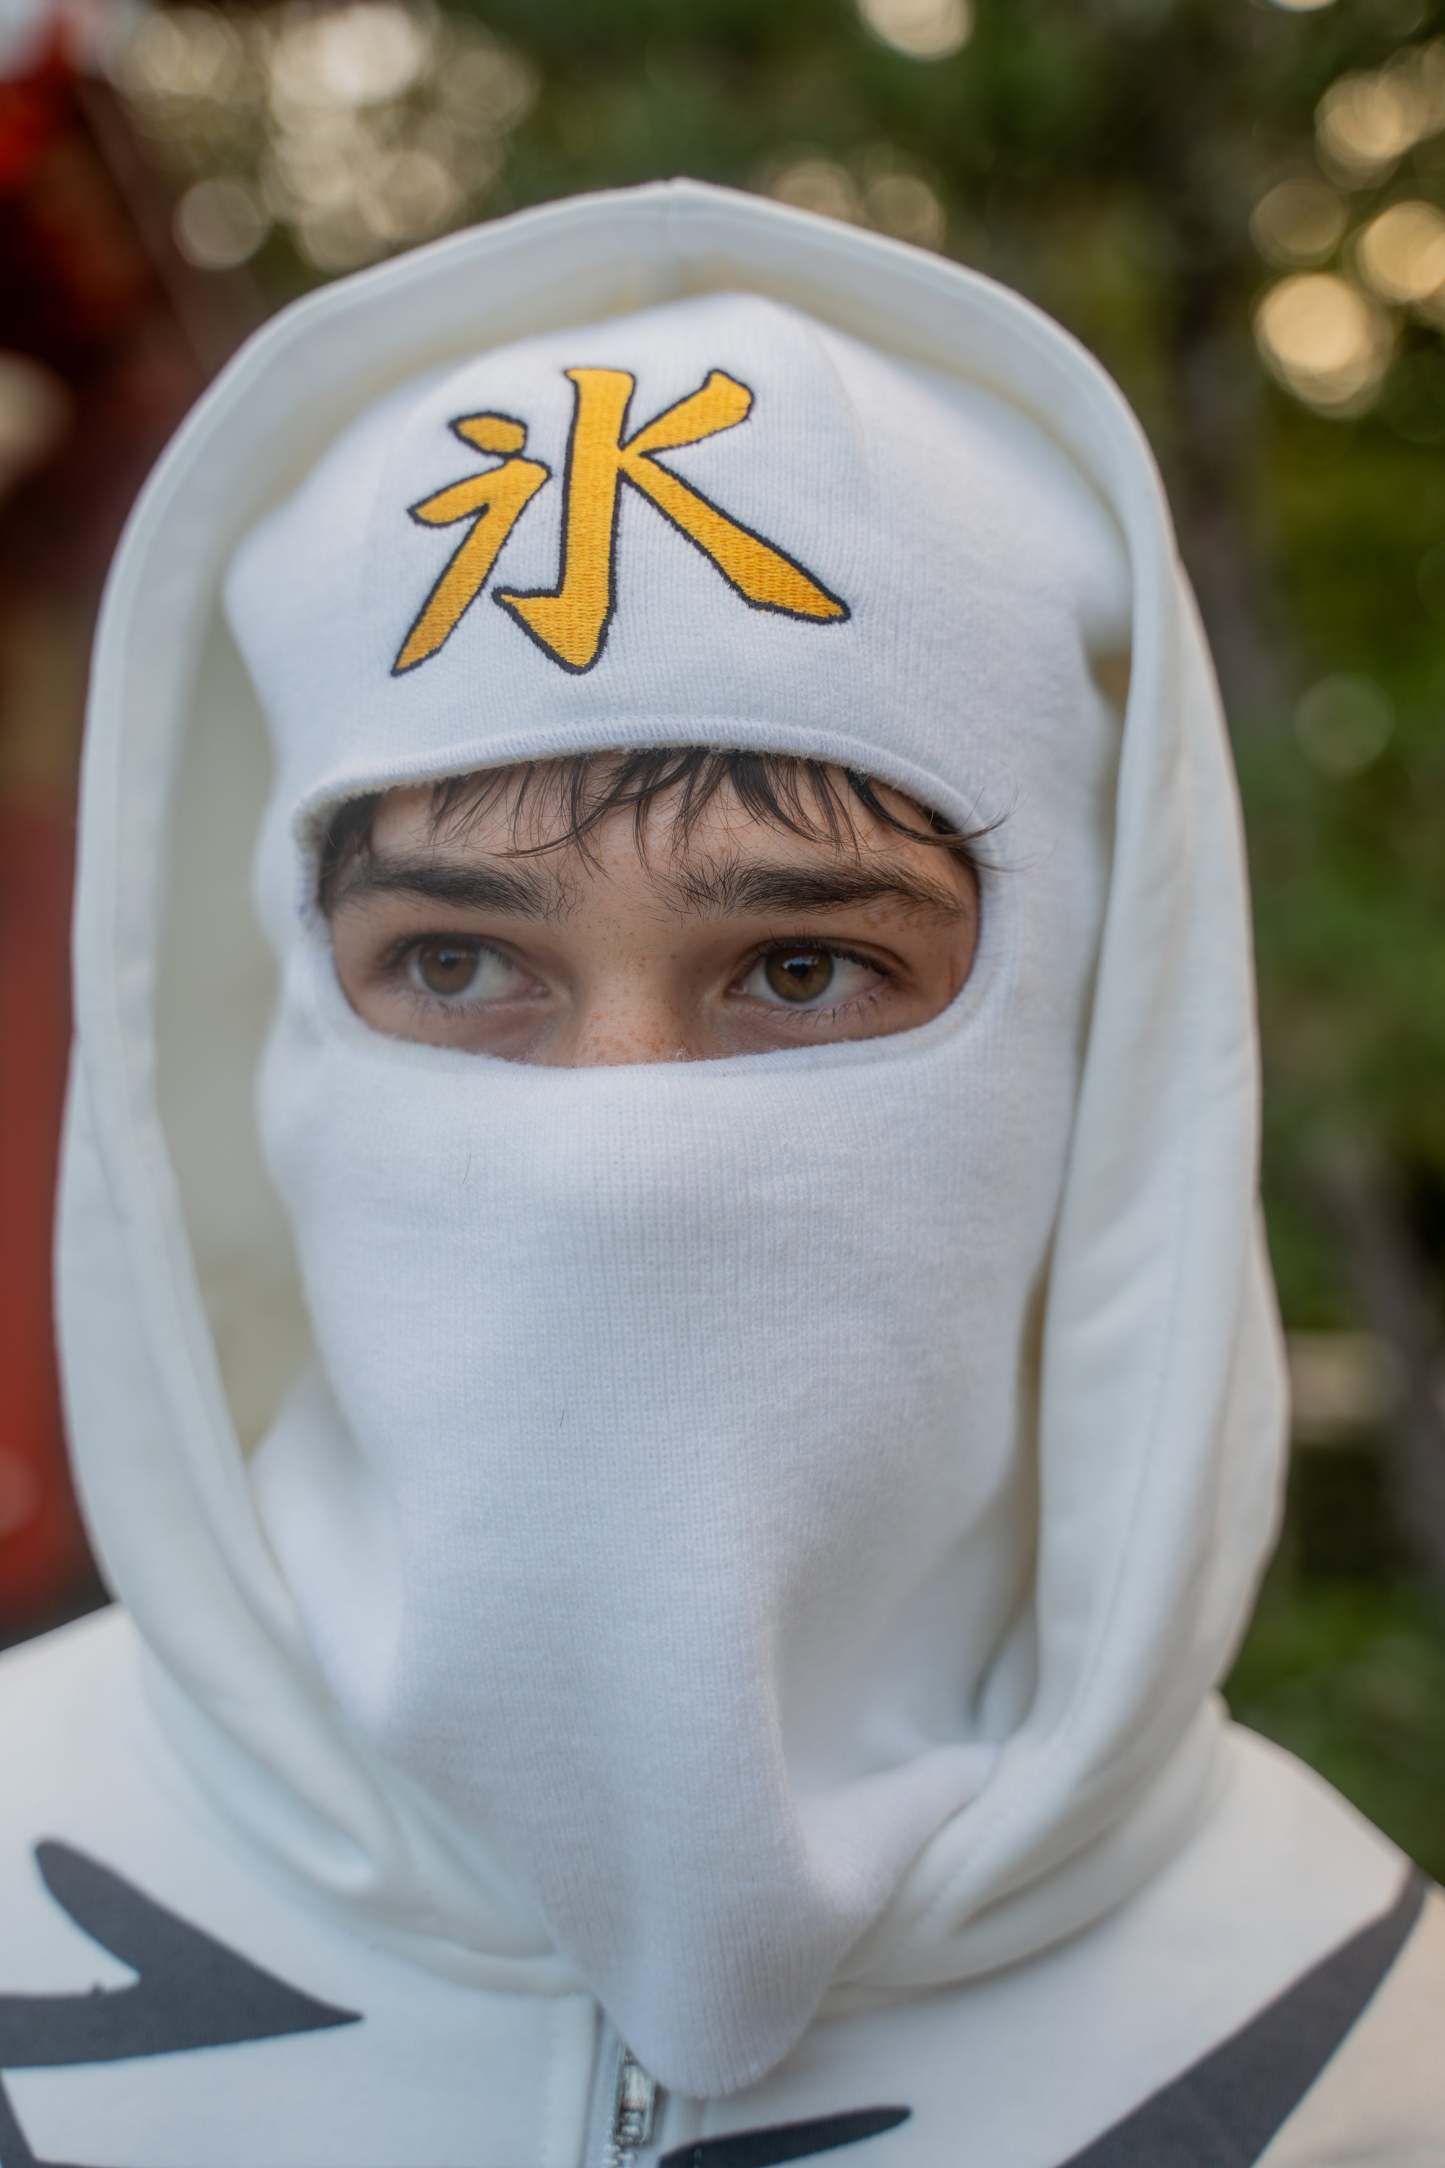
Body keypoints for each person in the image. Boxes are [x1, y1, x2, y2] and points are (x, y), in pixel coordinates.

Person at [0, 179, 1438, 2168]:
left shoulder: (1363, 2044)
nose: (624, 1151)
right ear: (277, 1030)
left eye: (801, 968)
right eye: (457, 963)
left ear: (1075, 1047)